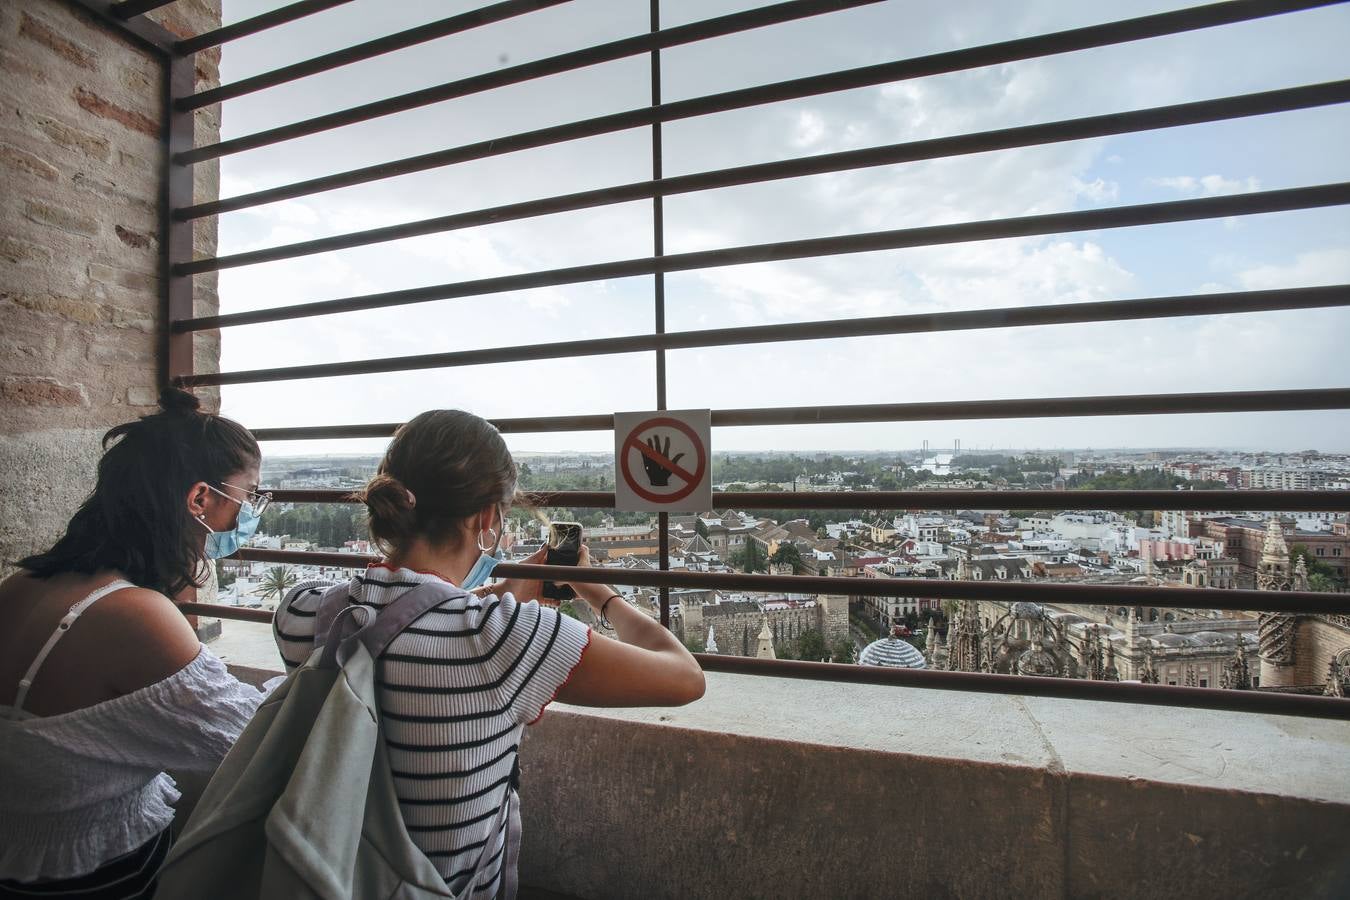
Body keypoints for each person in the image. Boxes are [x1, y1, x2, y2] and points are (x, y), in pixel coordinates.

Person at [272, 409, 704, 897]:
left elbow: (402, 619)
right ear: (487, 518)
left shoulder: (303, 612)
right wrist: (598, 592)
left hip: (319, 875)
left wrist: (503, 592)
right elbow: (685, 678)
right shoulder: (506, 639)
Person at [0, 388, 277, 898]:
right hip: (91, 877)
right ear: (200, 499)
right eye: (250, 495)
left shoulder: (23, 586)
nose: (251, 513)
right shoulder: (134, 614)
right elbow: (251, 742)